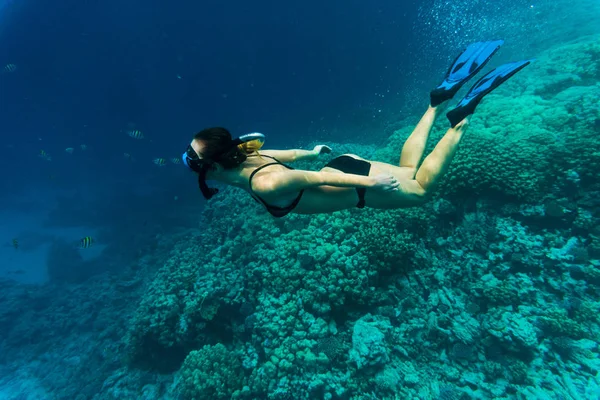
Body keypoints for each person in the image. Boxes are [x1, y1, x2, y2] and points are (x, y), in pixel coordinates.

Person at [182, 41, 533, 218]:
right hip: (344, 164)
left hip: (353, 186)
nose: (190, 162)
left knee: (422, 191)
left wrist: (372, 184)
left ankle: (458, 122)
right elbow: (290, 155)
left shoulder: (265, 182)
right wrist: (314, 151)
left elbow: (317, 180)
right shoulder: (248, 155)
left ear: (211, 166)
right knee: (409, 170)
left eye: (193, 159)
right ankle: (435, 102)